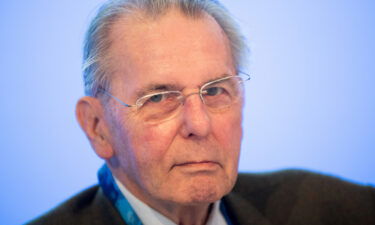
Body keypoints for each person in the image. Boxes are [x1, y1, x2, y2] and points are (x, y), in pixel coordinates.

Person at [28, 0, 375, 224]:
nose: (199, 123)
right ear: (98, 127)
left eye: (214, 91)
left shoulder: (340, 209)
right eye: (159, 97)